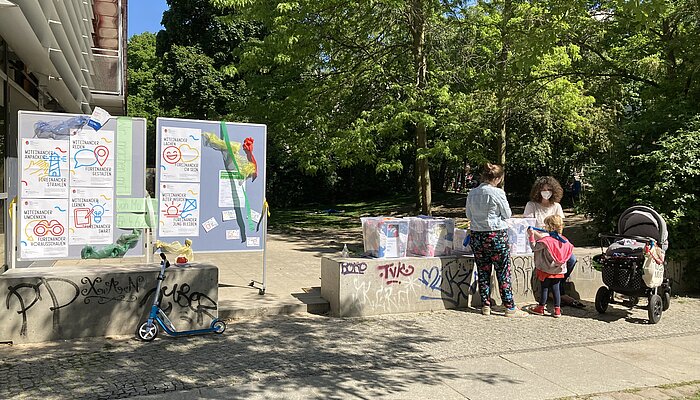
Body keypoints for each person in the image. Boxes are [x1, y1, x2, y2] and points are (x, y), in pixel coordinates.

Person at [466, 163, 528, 317]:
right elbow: (507, 214)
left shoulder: (472, 193)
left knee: (483, 271)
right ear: (499, 178)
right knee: (503, 272)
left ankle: (485, 305)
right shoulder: (498, 193)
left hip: (477, 235)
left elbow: (469, 215)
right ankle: (509, 306)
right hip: (496, 236)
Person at [523, 176, 583, 308]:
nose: (546, 192)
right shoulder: (531, 205)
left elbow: (560, 229)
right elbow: (528, 227)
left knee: (570, 259)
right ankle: (556, 292)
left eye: (549, 189)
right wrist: (545, 241)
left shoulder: (557, 207)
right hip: (541, 242)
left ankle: (557, 289)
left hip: (555, 242)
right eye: (543, 189)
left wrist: (554, 243)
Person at [528, 215, 574, 318]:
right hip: (559, 270)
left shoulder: (546, 241)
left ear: (550, 227)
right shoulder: (565, 241)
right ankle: (557, 310)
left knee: (544, 288)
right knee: (556, 289)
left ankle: (540, 308)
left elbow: (534, 247)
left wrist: (531, 236)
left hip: (546, 270)